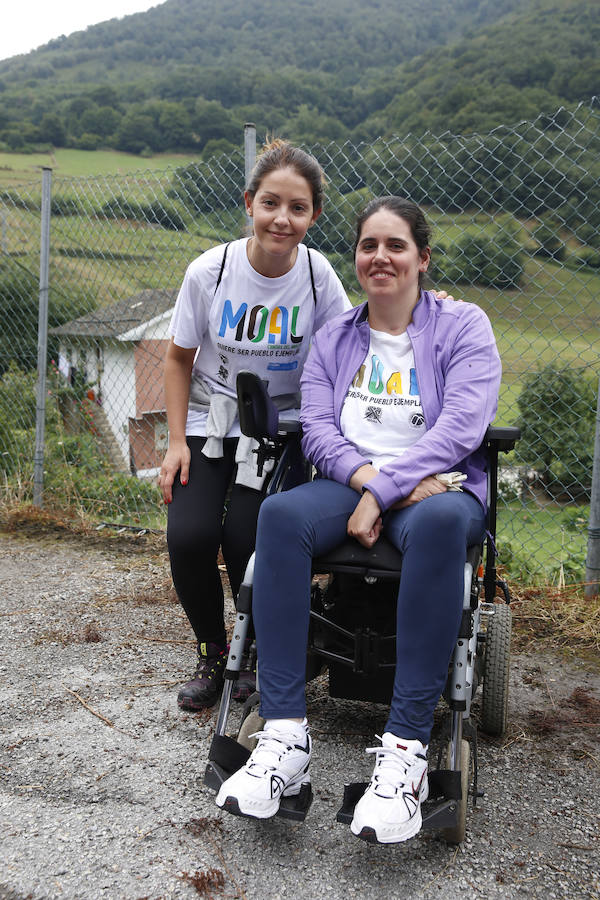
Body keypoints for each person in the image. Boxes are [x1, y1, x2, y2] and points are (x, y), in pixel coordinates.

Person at [215, 196, 502, 844]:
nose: (380, 256)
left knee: (436, 528)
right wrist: (375, 485)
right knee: (282, 515)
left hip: (442, 489)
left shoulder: (463, 327)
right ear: (358, 257)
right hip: (360, 484)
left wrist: (389, 491)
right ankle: (285, 739)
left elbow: (463, 426)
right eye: (369, 244)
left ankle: (404, 757)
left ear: (422, 258)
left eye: (395, 245)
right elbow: (316, 426)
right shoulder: (338, 336)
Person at [159, 139, 352, 711]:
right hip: (211, 422)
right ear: (249, 203)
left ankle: (254, 654)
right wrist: (174, 443)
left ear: (314, 215)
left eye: (298, 208)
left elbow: (350, 349)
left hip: (282, 431)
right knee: (190, 536)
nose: (282, 219)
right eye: (271, 203)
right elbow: (177, 358)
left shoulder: (319, 279)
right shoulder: (210, 271)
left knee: (250, 537)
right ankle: (213, 651)